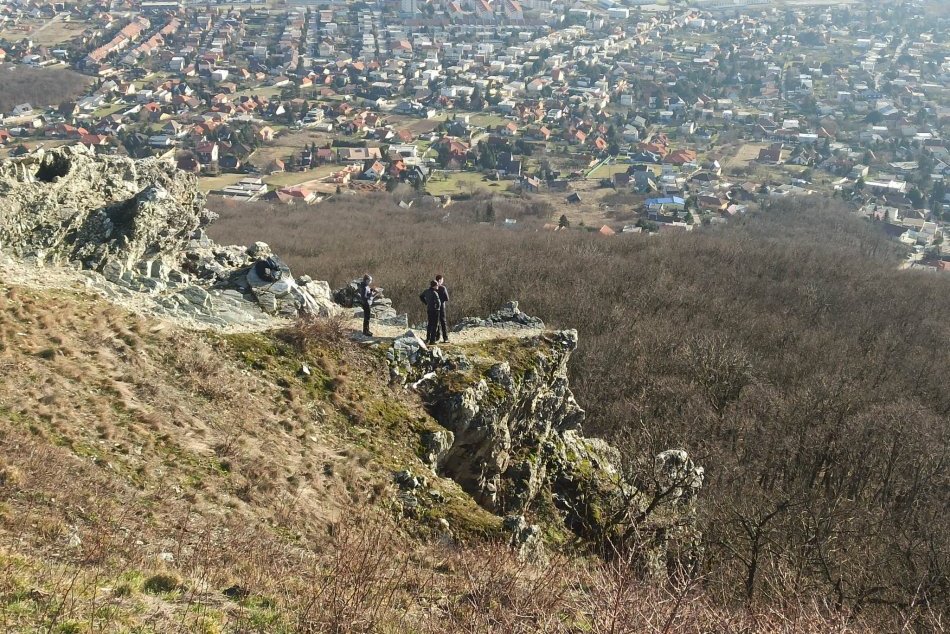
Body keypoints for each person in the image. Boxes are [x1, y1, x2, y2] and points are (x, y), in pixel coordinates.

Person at [419, 280, 442, 345]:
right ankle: (432, 341)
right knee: (435, 325)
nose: (438, 286)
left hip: (429, 309)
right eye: (437, 285)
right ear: (434, 286)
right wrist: (438, 308)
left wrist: (426, 303)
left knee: (429, 324)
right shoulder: (435, 293)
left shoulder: (426, 291)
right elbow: (438, 303)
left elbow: (421, 296)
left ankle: (428, 338)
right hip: (435, 310)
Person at [435, 274, 449, 343]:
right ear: (440, 280)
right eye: (442, 280)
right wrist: (441, 300)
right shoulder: (443, 288)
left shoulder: (433, 287)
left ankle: (437, 337)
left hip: (434, 307)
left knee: (436, 322)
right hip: (442, 307)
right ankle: (445, 338)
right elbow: (447, 298)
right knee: (443, 322)